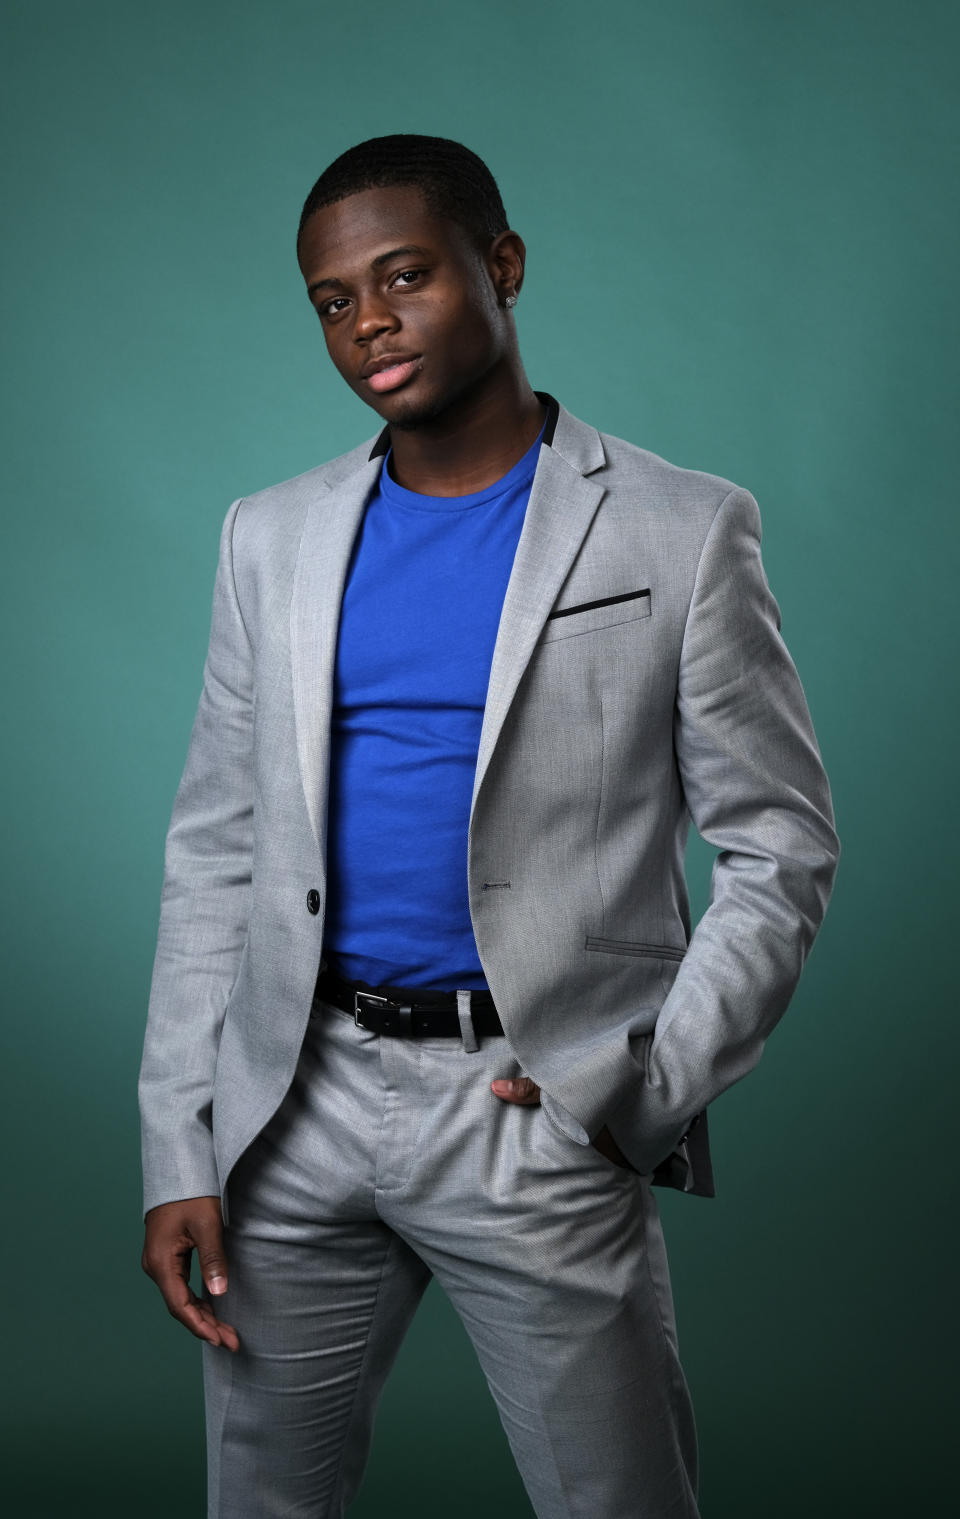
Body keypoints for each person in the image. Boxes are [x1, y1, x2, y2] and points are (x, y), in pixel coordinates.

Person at [139, 133, 840, 1518]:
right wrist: (179, 1147)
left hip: (534, 1102)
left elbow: (781, 848)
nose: (370, 322)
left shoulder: (681, 529)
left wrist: (642, 1080)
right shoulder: (266, 537)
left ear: (501, 267)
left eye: (406, 276)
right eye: (333, 299)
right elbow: (215, 846)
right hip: (292, 1107)